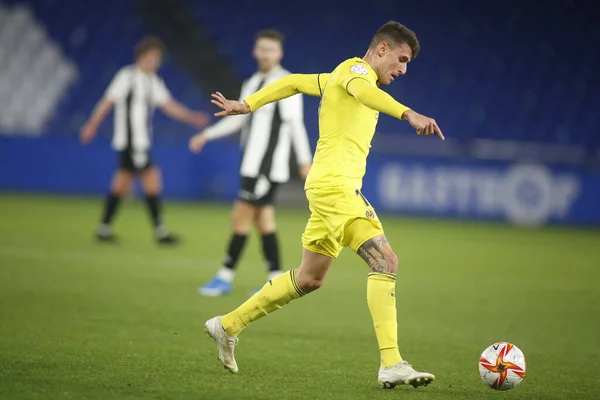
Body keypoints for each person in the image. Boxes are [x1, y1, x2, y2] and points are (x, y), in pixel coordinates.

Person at [204, 21, 444, 389]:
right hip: (336, 189)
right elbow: (365, 93)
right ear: (381, 48)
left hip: (324, 188)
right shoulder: (357, 72)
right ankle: (392, 363)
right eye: (401, 58)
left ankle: (228, 325)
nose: (403, 69)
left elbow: (294, 81)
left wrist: (248, 104)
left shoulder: (338, 76)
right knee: (386, 261)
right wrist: (407, 113)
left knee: (310, 278)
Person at [189, 30, 312, 296]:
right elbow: (238, 117)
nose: (265, 54)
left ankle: (225, 275)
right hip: (251, 165)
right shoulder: (253, 81)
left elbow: (295, 126)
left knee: (240, 217)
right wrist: (207, 134)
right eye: (261, 49)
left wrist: (305, 161)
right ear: (255, 51)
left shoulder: (288, 83)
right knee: (264, 220)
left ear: (279, 54)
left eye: (271, 50)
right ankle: (275, 279)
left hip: (268, 168)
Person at [80, 37, 209, 244]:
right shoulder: (126, 77)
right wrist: (91, 124)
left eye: (157, 58)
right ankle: (160, 232)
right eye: (152, 57)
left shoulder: (152, 81)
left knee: (121, 185)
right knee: (151, 180)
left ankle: (104, 230)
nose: (154, 62)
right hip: (132, 142)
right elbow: (107, 102)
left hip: (140, 142)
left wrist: (192, 117)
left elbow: (169, 106)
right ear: (141, 56)